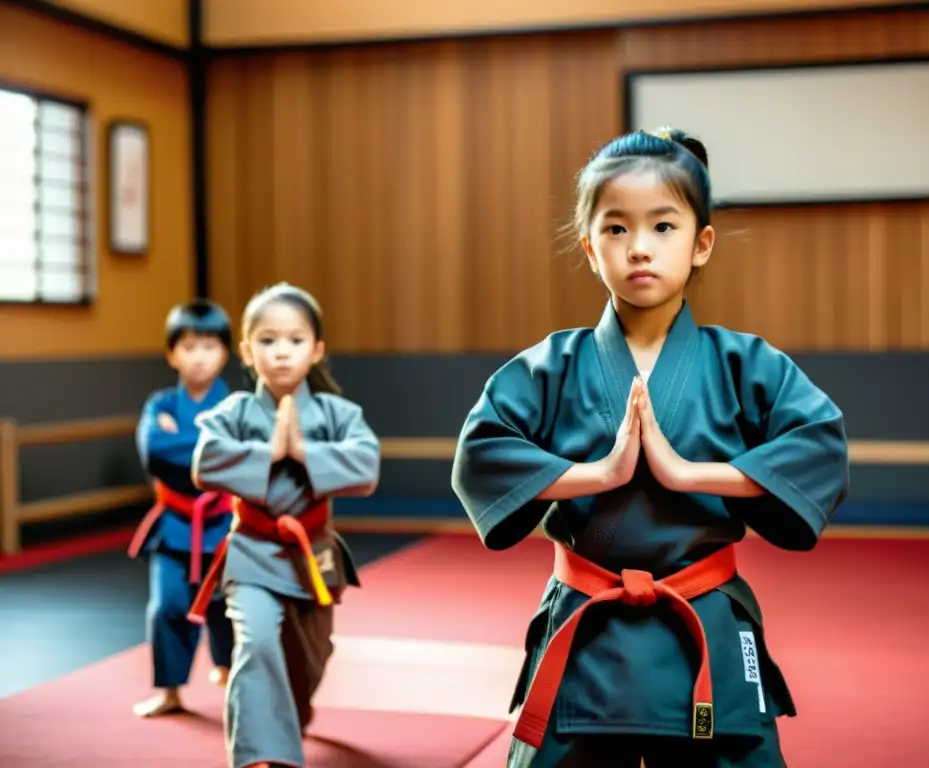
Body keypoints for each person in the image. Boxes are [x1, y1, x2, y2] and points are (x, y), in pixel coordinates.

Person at [451, 127, 850, 767]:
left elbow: (819, 449)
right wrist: (598, 474)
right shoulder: (548, 367)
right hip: (586, 626)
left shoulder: (746, 364)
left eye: (663, 227)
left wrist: (690, 473)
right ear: (588, 248)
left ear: (702, 243)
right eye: (616, 229)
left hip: (706, 628)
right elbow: (481, 455)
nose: (639, 248)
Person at [187, 282, 381, 768]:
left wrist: (302, 452)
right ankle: (263, 756)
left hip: (312, 557)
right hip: (252, 552)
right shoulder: (232, 413)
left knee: (309, 655)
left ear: (315, 350)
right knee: (253, 644)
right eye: (268, 341)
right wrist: (267, 452)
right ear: (248, 352)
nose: (281, 353)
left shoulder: (339, 414)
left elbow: (366, 467)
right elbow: (204, 462)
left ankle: (291, 713)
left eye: (294, 341)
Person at [128, 299, 236, 718]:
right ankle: (169, 691)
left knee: (231, 608)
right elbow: (154, 452)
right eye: (189, 347)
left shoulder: (235, 404)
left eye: (209, 347)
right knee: (167, 605)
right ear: (172, 352)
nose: (198, 357)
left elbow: (234, 456)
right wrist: (207, 446)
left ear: (225, 352)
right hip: (174, 525)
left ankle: (232, 676)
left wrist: (188, 443)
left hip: (227, 526)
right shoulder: (161, 405)